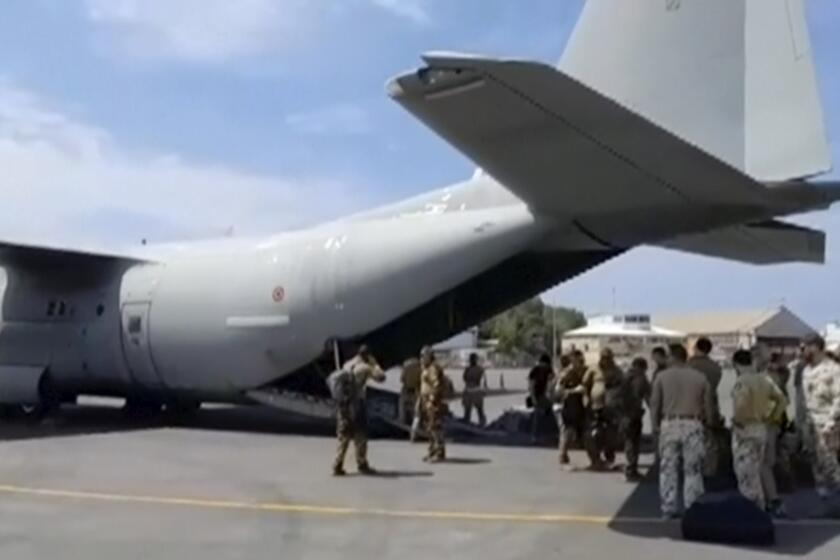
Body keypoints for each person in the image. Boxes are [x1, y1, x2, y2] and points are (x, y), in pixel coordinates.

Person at [651, 343, 714, 519]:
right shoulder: (700, 377)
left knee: (668, 469)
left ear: (673, 357)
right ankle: (692, 506)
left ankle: (668, 507)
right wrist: (708, 424)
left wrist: (655, 425)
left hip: (670, 424)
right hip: (693, 424)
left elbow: (655, 403)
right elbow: (708, 405)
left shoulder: (661, 377)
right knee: (693, 469)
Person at [730, 349, 788, 516]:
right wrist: (772, 417)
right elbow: (782, 401)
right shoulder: (765, 380)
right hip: (762, 427)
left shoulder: (742, 381)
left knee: (746, 473)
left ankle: (751, 511)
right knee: (757, 468)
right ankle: (759, 508)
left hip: (745, 428)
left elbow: (740, 404)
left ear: (735, 364)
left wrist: (737, 422)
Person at [332, 345, 385, 476]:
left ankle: (337, 465)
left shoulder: (347, 364)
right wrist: (375, 364)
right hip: (357, 405)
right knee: (360, 435)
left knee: (343, 436)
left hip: (343, 405)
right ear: (367, 356)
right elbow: (381, 377)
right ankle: (362, 464)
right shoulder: (365, 367)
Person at [801, 336, 840, 505]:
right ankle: (823, 497)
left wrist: (831, 422)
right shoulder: (806, 371)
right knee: (814, 459)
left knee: (829, 462)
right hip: (809, 422)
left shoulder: (833, 370)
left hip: (826, 422)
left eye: (804, 347)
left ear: (816, 347)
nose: (802, 351)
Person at [582, 348, 624, 470]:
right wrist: (585, 397)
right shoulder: (594, 368)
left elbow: (622, 385)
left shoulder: (616, 370)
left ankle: (609, 453)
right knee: (593, 432)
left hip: (611, 406)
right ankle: (595, 458)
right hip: (595, 405)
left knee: (611, 431)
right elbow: (585, 383)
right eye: (603, 357)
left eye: (608, 357)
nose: (605, 359)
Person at [688, 337, 724, 477]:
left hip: (690, 407)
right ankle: (709, 472)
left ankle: (693, 472)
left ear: (696, 348)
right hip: (711, 406)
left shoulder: (687, 365)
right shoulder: (715, 367)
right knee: (709, 442)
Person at [554, 350, 588, 465]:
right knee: (567, 431)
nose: (581, 361)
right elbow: (558, 391)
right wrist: (574, 391)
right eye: (578, 359)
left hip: (578, 405)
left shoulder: (582, 371)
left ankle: (564, 455)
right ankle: (562, 455)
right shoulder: (566, 373)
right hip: (568, 406)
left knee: (582, 430)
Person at [621, 357, 652, 482]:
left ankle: (630, 468)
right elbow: (648, 396)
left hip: (623, 414)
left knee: (628, 441)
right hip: (634, 414)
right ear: (643, 367)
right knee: (634, 442)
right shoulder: (641, 378)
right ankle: (631, 470)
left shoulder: (624, 376)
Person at [420, 346, 447, 463]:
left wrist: (432, 400)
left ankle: (439, 452)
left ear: (429, 356)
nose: (421, 358)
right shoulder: (426, 368)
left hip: (433, 401)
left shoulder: (433, 368)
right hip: (425, 400)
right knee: (429, 428)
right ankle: (431, 451)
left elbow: (437, 385)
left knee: (435, 427)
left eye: (423, 355)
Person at [528, 354, 554, 443]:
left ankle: (544, 434)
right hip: (537, 395)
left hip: (544, 395)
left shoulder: (548, 370)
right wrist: (533, 398)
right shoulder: (535, 370)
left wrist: (550, 394)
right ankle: (534, 436)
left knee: (547, 412)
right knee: (537, 416)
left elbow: (551, 382)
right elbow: (531, 385)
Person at [462, 353, 487, 426]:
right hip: (476, 390)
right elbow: (480, 380)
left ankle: (467, 423)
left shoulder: (468, 369)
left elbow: (465, 378)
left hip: (469, 391)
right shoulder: (480, 369)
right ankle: (482, 423)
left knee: (468, 411)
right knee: (479, 410)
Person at [399, 357, 422, 426]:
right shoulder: (419, 365)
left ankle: (402, 419)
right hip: (415, 389)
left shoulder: (406, 364)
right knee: (415, 406)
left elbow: (402, 379)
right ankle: (415, 421)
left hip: (406, 388)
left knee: (401, 403)